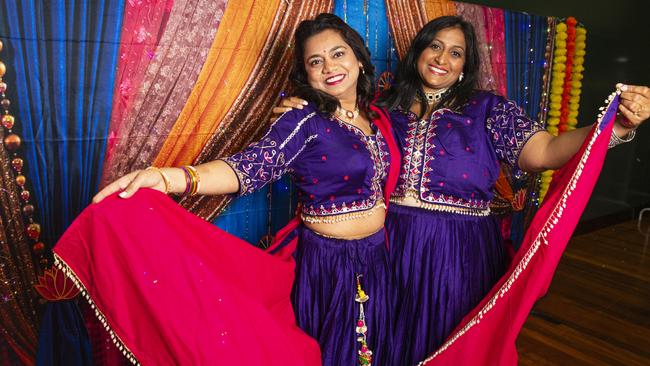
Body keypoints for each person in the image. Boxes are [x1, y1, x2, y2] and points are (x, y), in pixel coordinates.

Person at [274, 15, 650, 365]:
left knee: (451, 343)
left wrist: (612, 128)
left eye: (456, 53)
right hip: (389, 249)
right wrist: (301, 105)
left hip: (459, 252)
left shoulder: (489, 110)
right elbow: (331, 122)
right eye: (434, 46)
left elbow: (547, 152)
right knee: (387, 341)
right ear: (418, 51)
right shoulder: (382, 108)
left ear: (466, 66)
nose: (442, 59)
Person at [54, 13, 401, 366]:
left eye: (338, 54)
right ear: (306, 74)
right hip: (329, 269)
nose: (330, 66)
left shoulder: (378, 119)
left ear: (358, 57)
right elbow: (247, 168)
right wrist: (169, 178)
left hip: (376, 259)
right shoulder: (303, 121)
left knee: (374, 351)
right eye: (316, 61)